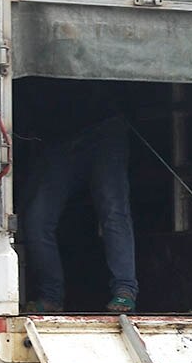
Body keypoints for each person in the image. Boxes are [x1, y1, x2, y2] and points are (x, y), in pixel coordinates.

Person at [15, 77, 138, 314]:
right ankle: (51, 297)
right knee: (36, 220)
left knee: (113, 210)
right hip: (56, 139)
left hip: (104, 126)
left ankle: (125, 290)